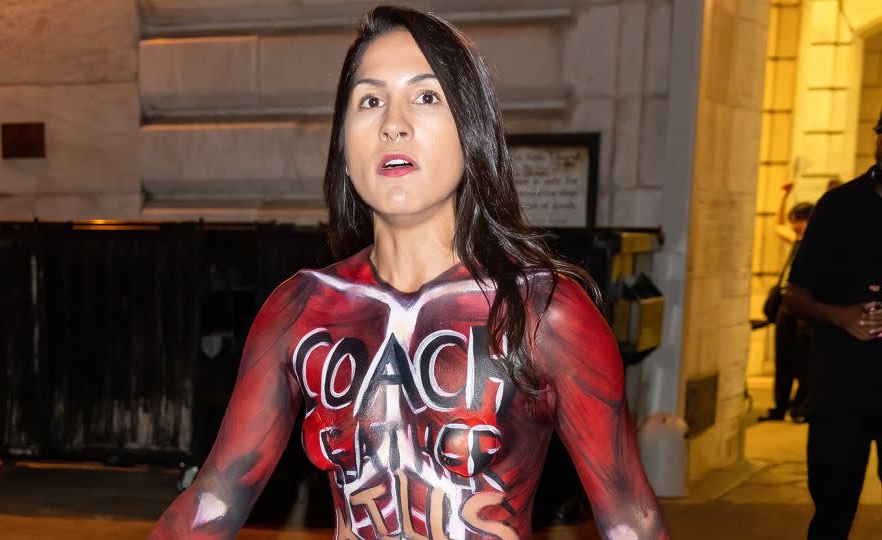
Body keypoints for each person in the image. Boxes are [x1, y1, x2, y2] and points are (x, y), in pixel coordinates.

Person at [150, 6, 668, 540]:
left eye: (426, 96)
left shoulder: (545, 314)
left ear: (470, 133)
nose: (393, 124)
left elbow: (631, 519)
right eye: (370, 101)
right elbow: (218, 494)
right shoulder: (301, 311)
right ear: (344, 149)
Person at [783, 111, 882, 539]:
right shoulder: (839, 208)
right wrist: (842, 316)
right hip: (840, 392)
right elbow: (795, 295)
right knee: (831, 516)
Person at [759, 184, 814, 423]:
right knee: (783, 358)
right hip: (786, 305)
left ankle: (801, 405)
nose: (794, 226)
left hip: (806, 308)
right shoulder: (797, 240)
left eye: (798, 221)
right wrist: (783, 195)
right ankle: (780, 405)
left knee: (804, 359)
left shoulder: (818, 243)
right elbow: (777, 225)